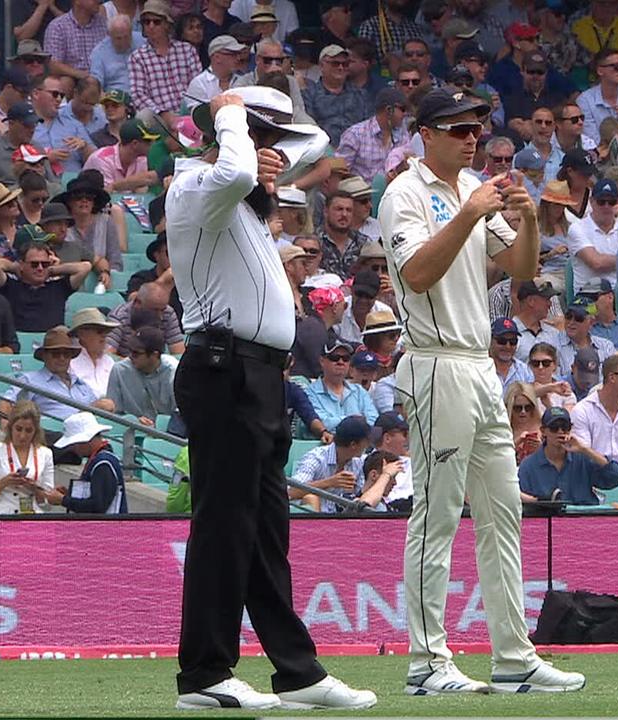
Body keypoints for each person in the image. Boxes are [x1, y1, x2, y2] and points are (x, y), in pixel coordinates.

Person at [166, 87, 373, 710]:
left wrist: (262, 135)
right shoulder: (198, 187)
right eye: (263, 147)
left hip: (257, 377)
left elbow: (311, 142)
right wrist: (231, 111)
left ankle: (298, 671)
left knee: (266, 532)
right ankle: (205, 673)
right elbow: (234, 167)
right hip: (222, 369)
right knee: (223, 528)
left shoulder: (245, 206)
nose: (273, 163)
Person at [377, 87, 583, 694]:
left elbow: (520, 269)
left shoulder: (470, 191)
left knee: (503, 514)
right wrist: (471, 212)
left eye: (476, 129)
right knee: (436, 515)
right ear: (426, 133)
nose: (471, 139)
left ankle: (514, 656)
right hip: (434, 362)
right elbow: (415, 273)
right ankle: (426, 663)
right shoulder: (404, 194)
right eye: (458, 129)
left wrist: (523, 218)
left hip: (478, 367)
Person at [518, 406, 618, 505]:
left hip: (584, 521)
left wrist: (585, 449)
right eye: (554, 427)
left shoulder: (583, 458)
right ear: (543, 431)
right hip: (548, 522)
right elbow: (523, 504)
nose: (560, 432)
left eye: (565, 427)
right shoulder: (528, 465)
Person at [0, 399, 56, 515]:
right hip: (3, 517)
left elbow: (49, 505)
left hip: (33, 518)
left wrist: (35, 489)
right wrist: (3, 483)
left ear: (36, 431)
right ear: (10, 426)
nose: (22, 436)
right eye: (18, 429)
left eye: (28, 431)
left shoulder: (45, 454)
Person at [41, 412, 127, 514]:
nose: (73, 448)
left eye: (75, 444)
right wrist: (69, 495)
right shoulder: (100, 460)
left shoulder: (103, 464)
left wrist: (63, 500)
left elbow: (97, 506)